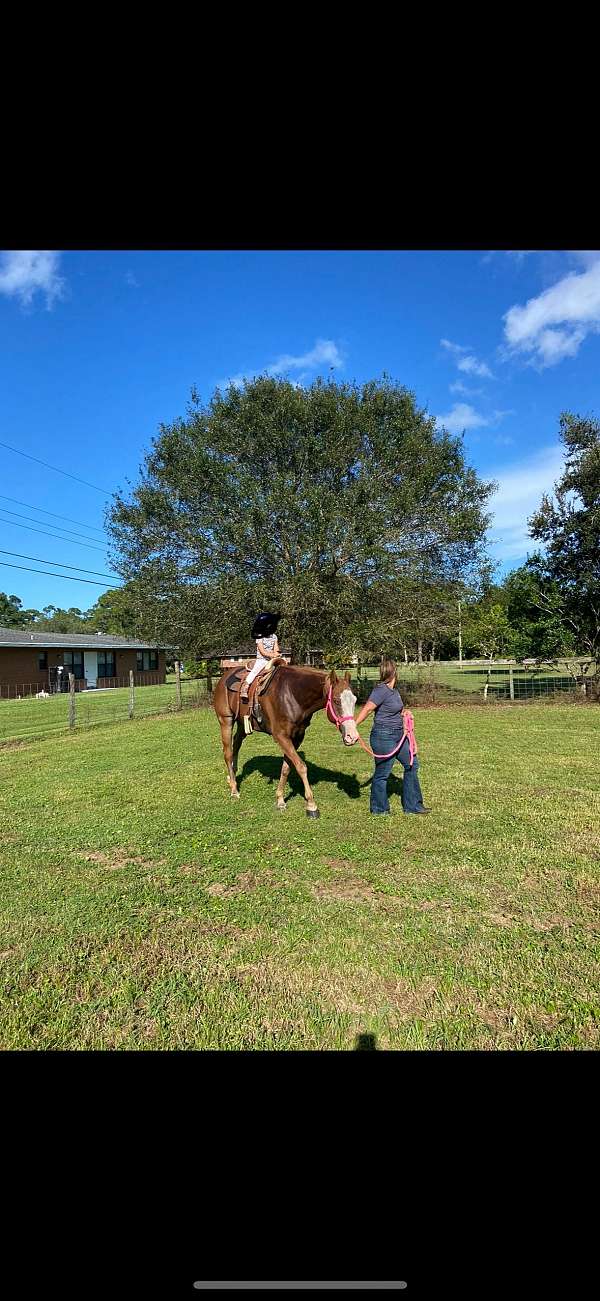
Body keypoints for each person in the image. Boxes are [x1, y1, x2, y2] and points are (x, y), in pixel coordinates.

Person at [354, 657, 431, 815]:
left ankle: (413, 806)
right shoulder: (380, 690)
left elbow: (394, 710)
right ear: (394, 672)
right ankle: (379, 809)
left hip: (399, 735)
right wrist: (353, 727)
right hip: (383, 736)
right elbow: (368, 709)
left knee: (411, 765)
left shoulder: (393, 692)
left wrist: (405, 712)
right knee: (383, 773)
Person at [240, 612, 282, 699]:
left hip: (272, 659)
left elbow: (276, 648)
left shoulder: (274, 636)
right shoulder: (259, 636)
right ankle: (246, 686)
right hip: (262, 659)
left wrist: (277, 653)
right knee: (256, 670)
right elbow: (262, 651)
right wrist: (272, 655)